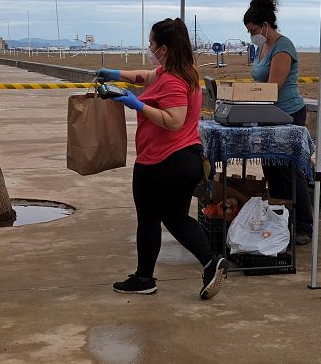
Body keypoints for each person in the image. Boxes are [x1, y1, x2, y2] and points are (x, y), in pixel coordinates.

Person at [97, 17, 228, 299]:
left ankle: (144, 278)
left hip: (161, 162)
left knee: (148, 218)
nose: (149, 46)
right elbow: (143, 76)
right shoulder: (181, 70)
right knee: (174, 216)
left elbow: (173, 120)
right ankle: (210, 262)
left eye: (152, 43)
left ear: (165, 47)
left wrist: (136, 104)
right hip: (186, 160)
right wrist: (114, 74)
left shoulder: (173, 81)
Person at [243, 0, 312, 245]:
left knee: (290, 169)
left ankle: (304, 225)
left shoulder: (284, 47)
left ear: (265, 25)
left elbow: (273, 87)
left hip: (288, 114)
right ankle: (282, 217)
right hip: (267, 115)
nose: (252, 35)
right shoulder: (262, 47)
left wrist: (249, 100)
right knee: (271, 167)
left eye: (253, 30)